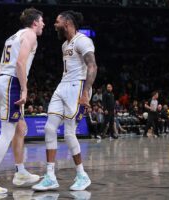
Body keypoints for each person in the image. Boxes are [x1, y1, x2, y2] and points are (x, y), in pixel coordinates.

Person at [0, 8, 45, 194]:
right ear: (35, 22)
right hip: (11, 83)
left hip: (2, 81)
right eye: (42, 21)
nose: (44, 24)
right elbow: (20, 63)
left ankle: (20, 171)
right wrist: (24, 88)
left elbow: (0, 66)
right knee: (7, 132)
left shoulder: (12, 37)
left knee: (20, 128)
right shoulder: (30, 34)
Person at [32, 10, 97, 191]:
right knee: (49, 128)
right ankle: (50, 176)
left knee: (69, 133)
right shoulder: (64, 45)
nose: (54, 24)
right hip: (63, 86)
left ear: (67, 23)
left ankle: (82, 175)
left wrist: (85, 94)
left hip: (78, 88)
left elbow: (92, 66)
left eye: (57, 21)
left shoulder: (83, 40)